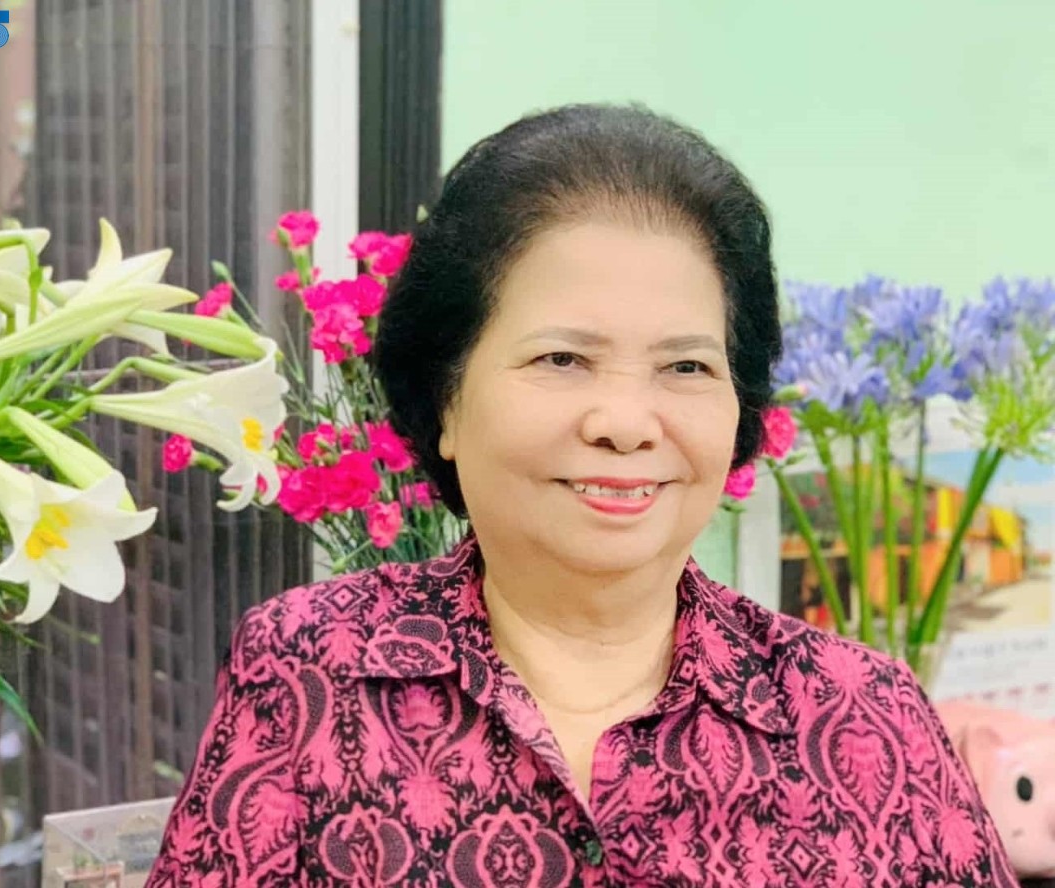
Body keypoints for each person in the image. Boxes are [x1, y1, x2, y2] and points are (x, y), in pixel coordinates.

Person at [146, 104, 1016, 887]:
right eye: (562, 359)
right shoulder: (308, 668)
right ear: (446, 399)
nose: (627, 424)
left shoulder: (868, 713)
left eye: (686, 366)